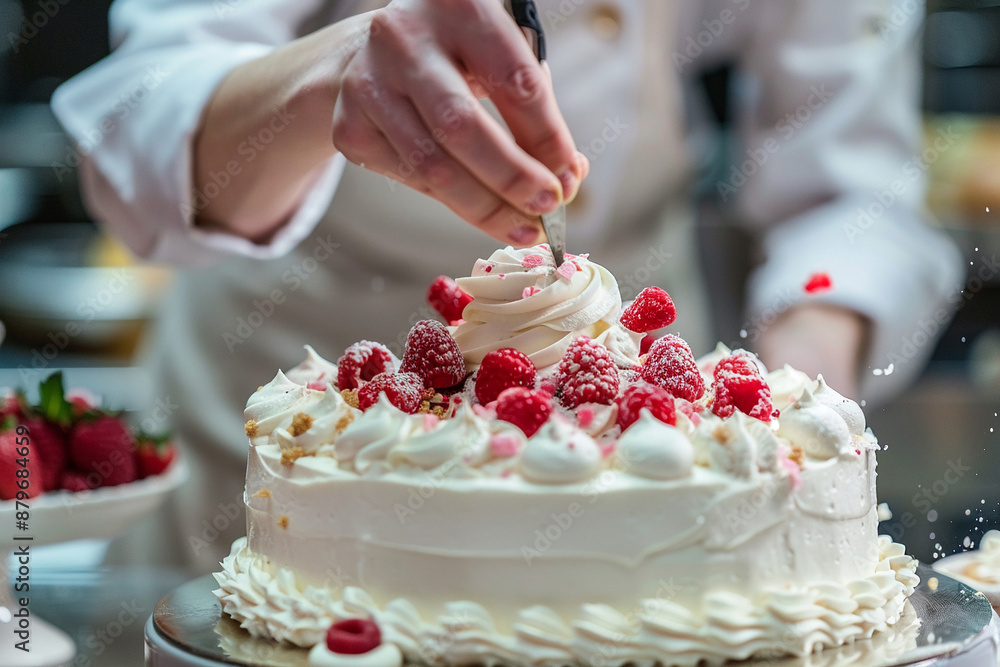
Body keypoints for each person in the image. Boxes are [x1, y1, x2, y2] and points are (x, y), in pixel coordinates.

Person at [52, 0, 963, 571]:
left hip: (659, 467)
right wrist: (330, 75)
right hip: (299, 414)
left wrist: (783, 411)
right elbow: (139, 123)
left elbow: (850, 187)